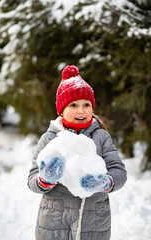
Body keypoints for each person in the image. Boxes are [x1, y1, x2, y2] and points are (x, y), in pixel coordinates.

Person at [28, 65, 127, 240]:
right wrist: (45, 179)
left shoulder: (101, 137)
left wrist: (105, 183)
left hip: (93, 223)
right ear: (62, 109)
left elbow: (119, 172)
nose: (81, 110)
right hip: (54, 224)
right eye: (73, 105)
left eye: (86, 104)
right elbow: (32, 180)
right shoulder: (50, 138)